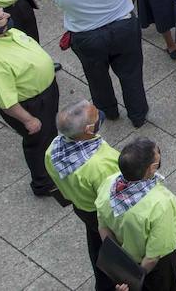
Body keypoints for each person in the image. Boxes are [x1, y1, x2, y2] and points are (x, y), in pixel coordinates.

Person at [0, 4, 59, 195]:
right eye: (1, 16)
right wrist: (28, 119)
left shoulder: (2, 32)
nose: (7, 15)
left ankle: (53, 159)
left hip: (43, 94)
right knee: (37, 141)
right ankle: (42, 183)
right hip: (31, 105)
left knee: (48, 134)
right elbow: (6, 100)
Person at [46, 100, 122, 291]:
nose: (99, 116)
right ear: (89, 130)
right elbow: (115, 196)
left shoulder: (53, 149)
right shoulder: (100, 165)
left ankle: (102, 283)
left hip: (81, 207)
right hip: (101, 214)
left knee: (95, 243)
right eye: (97, 116)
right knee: (116, 250)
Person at [95, 137, 176, 290]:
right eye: (157, 154)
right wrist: (137, 278)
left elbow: (103, 228)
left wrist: (122, 265)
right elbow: (152, 257)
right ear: (151, 168)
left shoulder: (108, 183)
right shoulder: (160, 204)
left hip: (129, 255)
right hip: (160, 264)